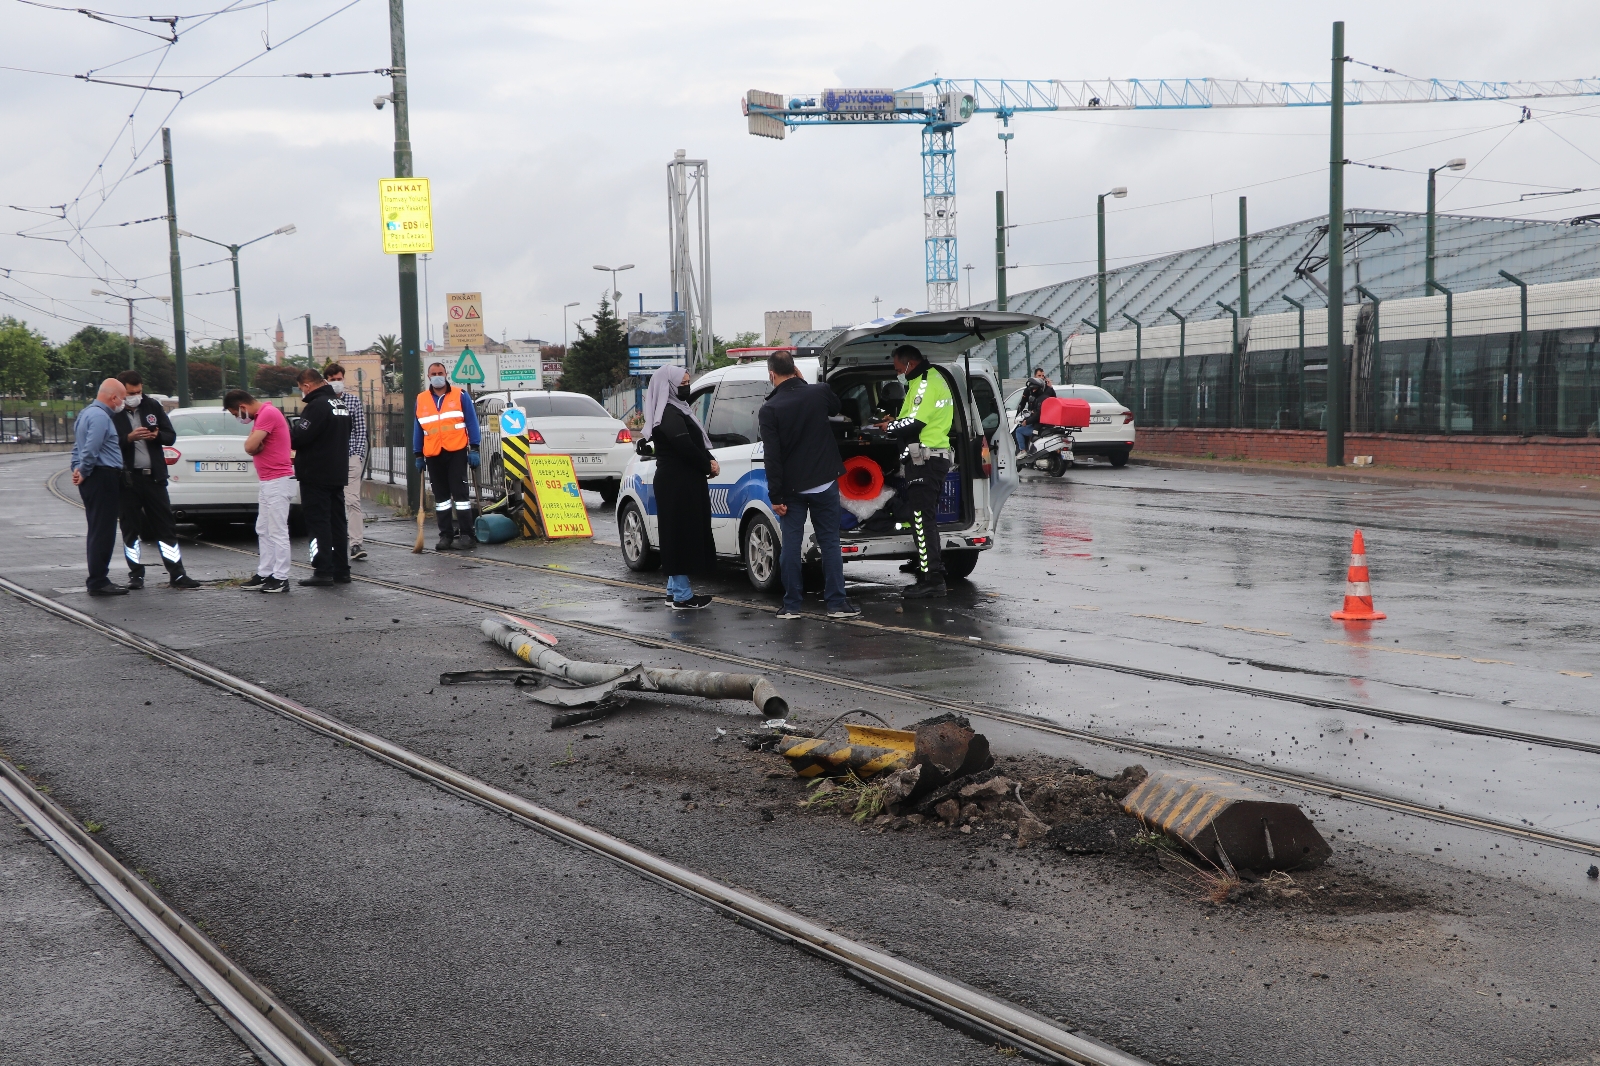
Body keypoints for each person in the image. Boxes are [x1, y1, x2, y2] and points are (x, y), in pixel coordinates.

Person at [758, 351, 858, 620]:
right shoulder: (818, 392)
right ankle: (837, 604)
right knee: (830, 543)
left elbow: (773, 456)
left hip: (792, 490)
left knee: (791, 545)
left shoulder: (770, 409)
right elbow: (836, 407)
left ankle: (791, 606)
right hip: (824, 482)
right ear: (796, 369)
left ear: (772, 375)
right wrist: (804, 383)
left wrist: (775, 494)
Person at [879, 344, 956, 599]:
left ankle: (932, 578)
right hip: (928, 457)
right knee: (924, 518)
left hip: (927, 459)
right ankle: (930, 572)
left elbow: (915, 422)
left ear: (909, 364)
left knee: (922, 519)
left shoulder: (924, 382)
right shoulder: (927, 380)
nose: (897, 373)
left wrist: (888, 428)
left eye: (898, 369)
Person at [112, 370, 200, 589]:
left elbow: (170, 435)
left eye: (139, 391)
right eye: (131, 393)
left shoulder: (152, 406)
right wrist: (128, 438)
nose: (136, 396)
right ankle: (135, 574)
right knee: (131, 529)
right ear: (121, 391)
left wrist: (157, 436)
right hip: (127, 481)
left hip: (154, 479)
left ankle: (177, 574)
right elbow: (107, 443)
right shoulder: (112, 412)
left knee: (166, 527)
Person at [642, 363, 716, 610]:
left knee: (677, 534)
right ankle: (683, 596)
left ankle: (674, 591)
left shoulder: (675, 410)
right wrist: (708, 464)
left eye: (687, 383)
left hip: (680, 482)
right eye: (682, 384)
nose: (687, 388)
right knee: (681, 536)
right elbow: (685, 447)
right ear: (668, 387)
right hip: (678, 484)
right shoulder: (670, 415)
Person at [224, 389, 295, 593]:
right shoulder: (261, 416)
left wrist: (254, 445)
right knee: (263, 529)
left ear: (242, 407)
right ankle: (265, 573)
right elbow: (252, 446)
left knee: (278, 531)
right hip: (268, 481)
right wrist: (254, 445)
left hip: (278, 481)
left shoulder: (267, 414)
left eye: (235, 414)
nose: (238, 418)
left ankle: (281, 577)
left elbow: (250, 446)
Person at [290, 368, 353, 586]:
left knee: (318, 523)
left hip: (315, 474)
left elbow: (299, 437)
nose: (302, 393)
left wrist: (289, 433)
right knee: (337, 523)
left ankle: (322, 570)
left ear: (307, 385)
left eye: (301, 389)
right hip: (337, 472)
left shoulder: (316, 406)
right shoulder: (340, 405)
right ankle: (341, 569)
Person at [412, 361, 481, 551]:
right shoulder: (422, 399)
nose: (437, 376)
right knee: (441, 498)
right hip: (433, 453)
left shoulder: (460, 396)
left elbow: (472, 422)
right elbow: (418, 428)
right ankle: (446, 535)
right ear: (428, 377)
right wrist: (418, 454)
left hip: (456, 451)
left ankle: (467, 534)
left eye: (440, 372)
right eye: (433, 373)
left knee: (460, 494)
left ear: (446, 374)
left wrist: (474, 448)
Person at [70, 378, 129, 596]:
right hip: (102, 477)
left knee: (97, 529)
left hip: (94, 477)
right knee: (103, 530)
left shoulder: (86, 413)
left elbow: (78, 447)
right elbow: (91, 449)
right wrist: (83, 471)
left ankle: (98, 577)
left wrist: (77, 469)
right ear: (113, 397)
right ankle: (98, 580)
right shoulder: (100, 417)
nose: (123, 403)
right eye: (122, 399)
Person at [322, 363, 368, 560]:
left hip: (350, 458)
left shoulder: (353, 402)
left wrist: (356, 454)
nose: (337, 383)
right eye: (332, 380)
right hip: (329, 460)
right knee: (332, 502)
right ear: (326, 381)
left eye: (339, 379)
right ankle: (334, 543)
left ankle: (356, 543)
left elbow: (360, 430)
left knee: (352, 501)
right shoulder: (322, 402)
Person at [1014, 367, 1056, 454]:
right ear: (1034, 376)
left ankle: (1025, 451)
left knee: (1024, 431)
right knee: (1019, 429)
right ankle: (1024, 450)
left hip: (1039, 419)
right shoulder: (1029, 389)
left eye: (1043, 376)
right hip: (1032, 416)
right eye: (1039, 375)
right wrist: (1018, 415)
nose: (1041, 377)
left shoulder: (1046, 390)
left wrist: (1051, 387)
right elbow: (1022, 403)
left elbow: (1053, 400)